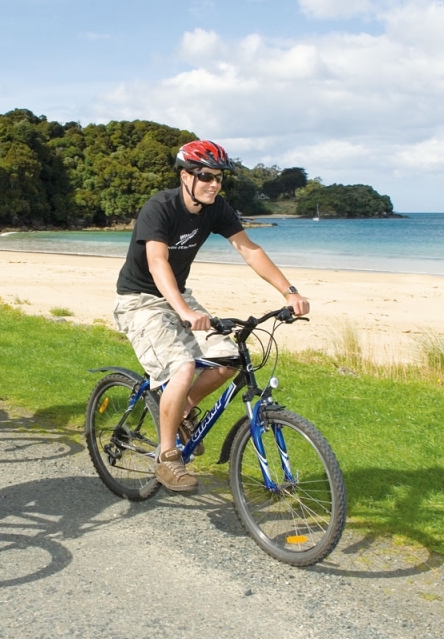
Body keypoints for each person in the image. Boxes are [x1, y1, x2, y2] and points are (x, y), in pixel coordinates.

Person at [113, 140, 310, 493]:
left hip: (180, 296)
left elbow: (249, 250)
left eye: (219, 178)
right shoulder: (160, 207)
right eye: (205, 176)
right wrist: (185, 311)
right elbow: (158, 264)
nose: (214, 184)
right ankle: (167, 457)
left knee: (230, 357)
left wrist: (289, 291)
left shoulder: (216, 209)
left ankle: (183, 408)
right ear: (185, 176)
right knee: (182, 368)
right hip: (141, 300)